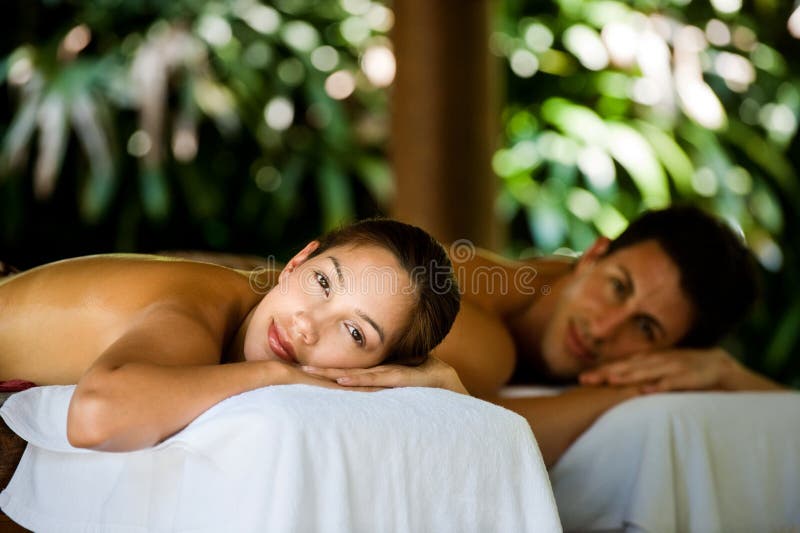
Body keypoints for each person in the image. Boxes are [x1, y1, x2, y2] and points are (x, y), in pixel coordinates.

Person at [304, 206, 787, 466]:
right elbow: (474, 431)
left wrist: (723, 370)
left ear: (671, 351)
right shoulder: (483, 330)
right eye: (617, 287)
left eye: (645, 328)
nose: (602, 328)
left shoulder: (541, 286)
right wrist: (638, 389)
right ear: (593, 255)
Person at [0, 219, 463, 452]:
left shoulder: (248, 312)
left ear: (380, 367)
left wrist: (446, 386)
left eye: (354, 331)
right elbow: (95, 418)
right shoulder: (195, 314)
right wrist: (270, 375)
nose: (307, 324)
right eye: (323, 282)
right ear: (298, 261)